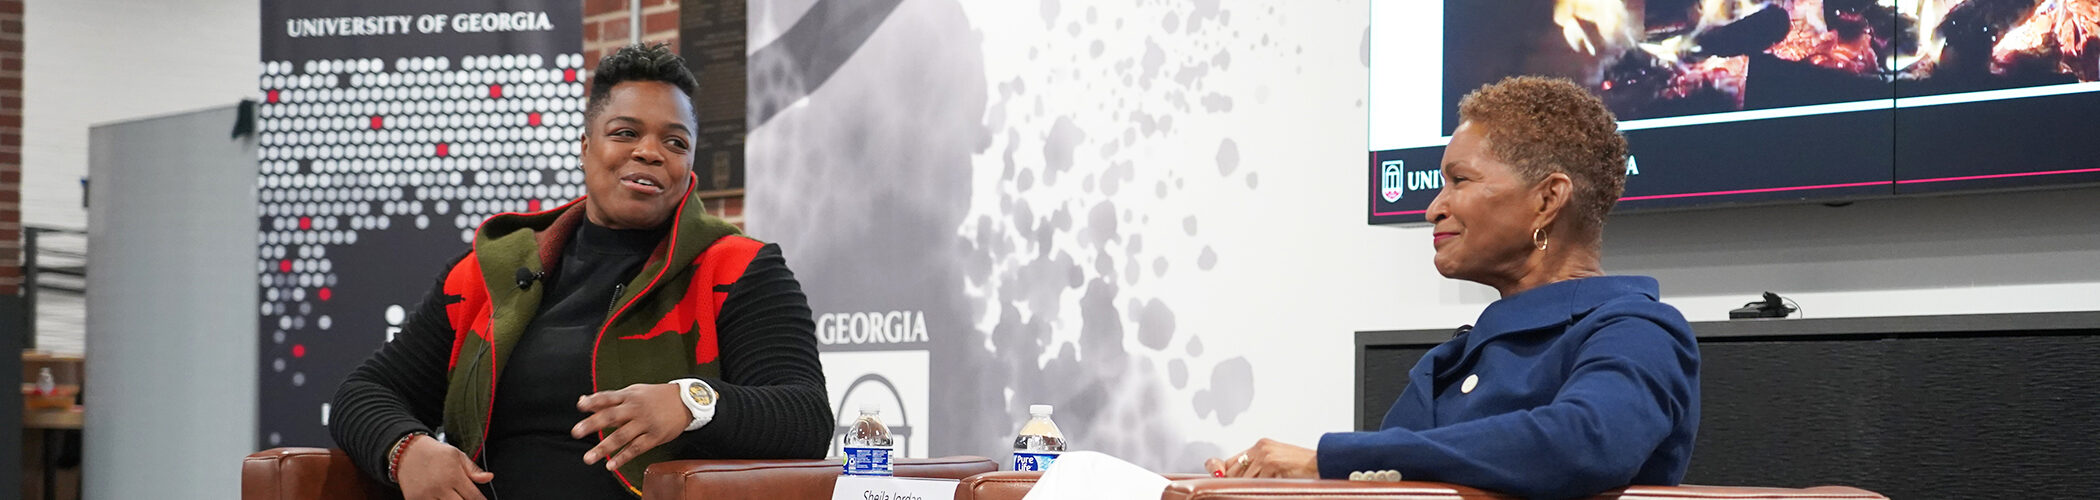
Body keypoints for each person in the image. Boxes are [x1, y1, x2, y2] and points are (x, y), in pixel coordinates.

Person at [330, 44, 832, 500]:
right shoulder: (490, 272)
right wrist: (408, 450)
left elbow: (805, 416)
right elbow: (365, 393)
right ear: (586, 146)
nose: (650, 152)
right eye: (626, 133)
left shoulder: (738, 266)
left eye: (675, 143)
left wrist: (690, 401)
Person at [1207, 76, 1700, 499]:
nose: (1433, 208)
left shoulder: (1635, 329)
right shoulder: (1448, 362)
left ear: (1548, 198)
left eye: (1459, 180)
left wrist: (1326, 459)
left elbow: (1585, 442)